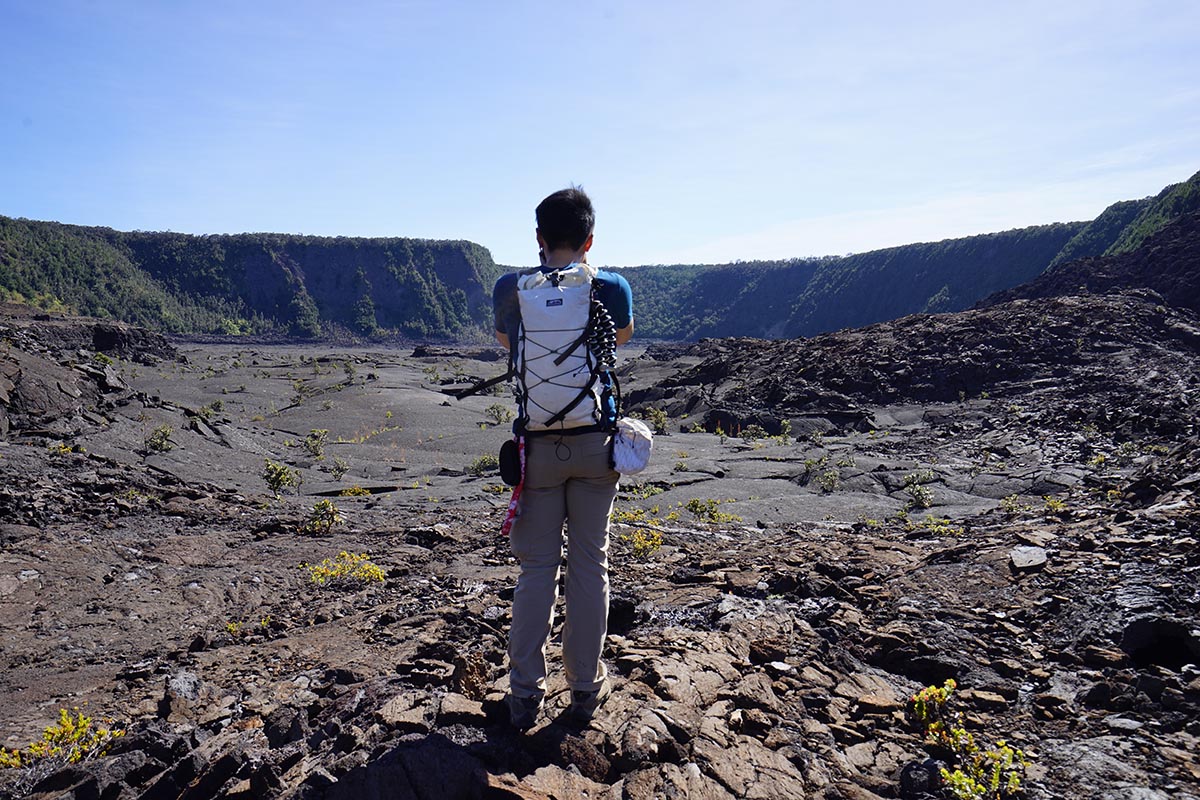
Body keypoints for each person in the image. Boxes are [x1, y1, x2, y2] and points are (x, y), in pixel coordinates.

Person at [492, 187, 633, 729]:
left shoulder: (511, 288)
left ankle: (525, 694)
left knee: (537, 570)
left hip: (538, 448)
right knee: (590, 564)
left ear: (538, 237)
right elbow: (619, 338)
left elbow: (509, 344)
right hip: (596, 447)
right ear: (590, 239)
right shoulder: (610, 286)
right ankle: (585, 689)